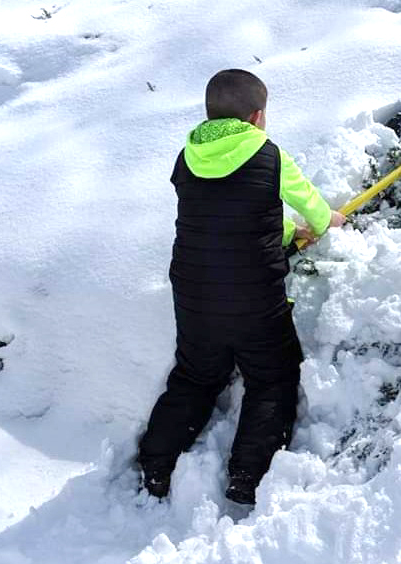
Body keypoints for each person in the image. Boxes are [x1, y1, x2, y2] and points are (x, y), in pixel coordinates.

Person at [137, 69, 344, 505]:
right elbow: (311, 205)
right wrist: (325, 222)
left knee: (195, 376)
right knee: (271, 377)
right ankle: (248, 474)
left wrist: (286, 234)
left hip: (194, 292)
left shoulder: (187, 157)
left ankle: (154, 466)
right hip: (254, 295)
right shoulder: (268, 153)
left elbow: (225, 215)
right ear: (258, 117)